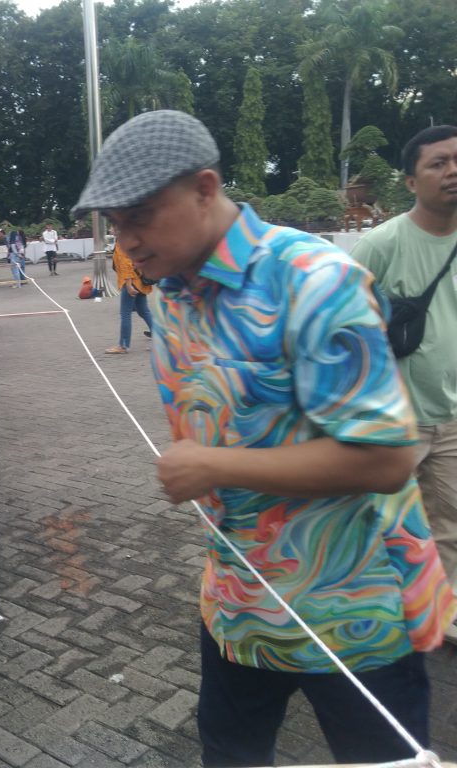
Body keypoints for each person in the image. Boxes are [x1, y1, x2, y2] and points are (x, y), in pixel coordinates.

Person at [72, 110, 456, 767]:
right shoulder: (172, 295)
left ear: (205, 187)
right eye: (113, 222)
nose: (126, 240)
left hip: (353, 604)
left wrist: (213, 465)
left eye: (140, 216)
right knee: (229, 753)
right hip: (239, 600)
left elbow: (387, 457)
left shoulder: (313, 278)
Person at [351, 124, 457, 644]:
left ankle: (444, 613)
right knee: (379, 520)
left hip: (453, 417)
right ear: (411, 181)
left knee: (452, 522)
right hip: (394, 420)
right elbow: (339, 322)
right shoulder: (381, 243)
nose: (453, 171)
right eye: (438, 163)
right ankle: (379, 611)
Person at [106, 240, 153, 354]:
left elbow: (126, 264)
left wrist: (128, 285)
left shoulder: (122, 242)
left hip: (131, 283)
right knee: (144, 311)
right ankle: (161, 339)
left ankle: (123, 345)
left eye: (113, 230)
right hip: (140, 282)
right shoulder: (134, 239)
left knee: (125, 314)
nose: (111, 231)